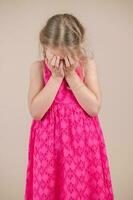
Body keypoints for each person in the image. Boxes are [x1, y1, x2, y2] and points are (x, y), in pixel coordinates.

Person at [24, 13, 115, 200]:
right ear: (44, 47)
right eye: (56, 58)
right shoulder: (38, 68)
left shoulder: (87, 66)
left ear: (78, 50)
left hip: (83, 145)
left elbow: (93, 107)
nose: (61, 64)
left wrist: (72, 76)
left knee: (82, 190)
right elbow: (36, 112)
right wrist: (56, 77)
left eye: (67, 59)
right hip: (49, 147)